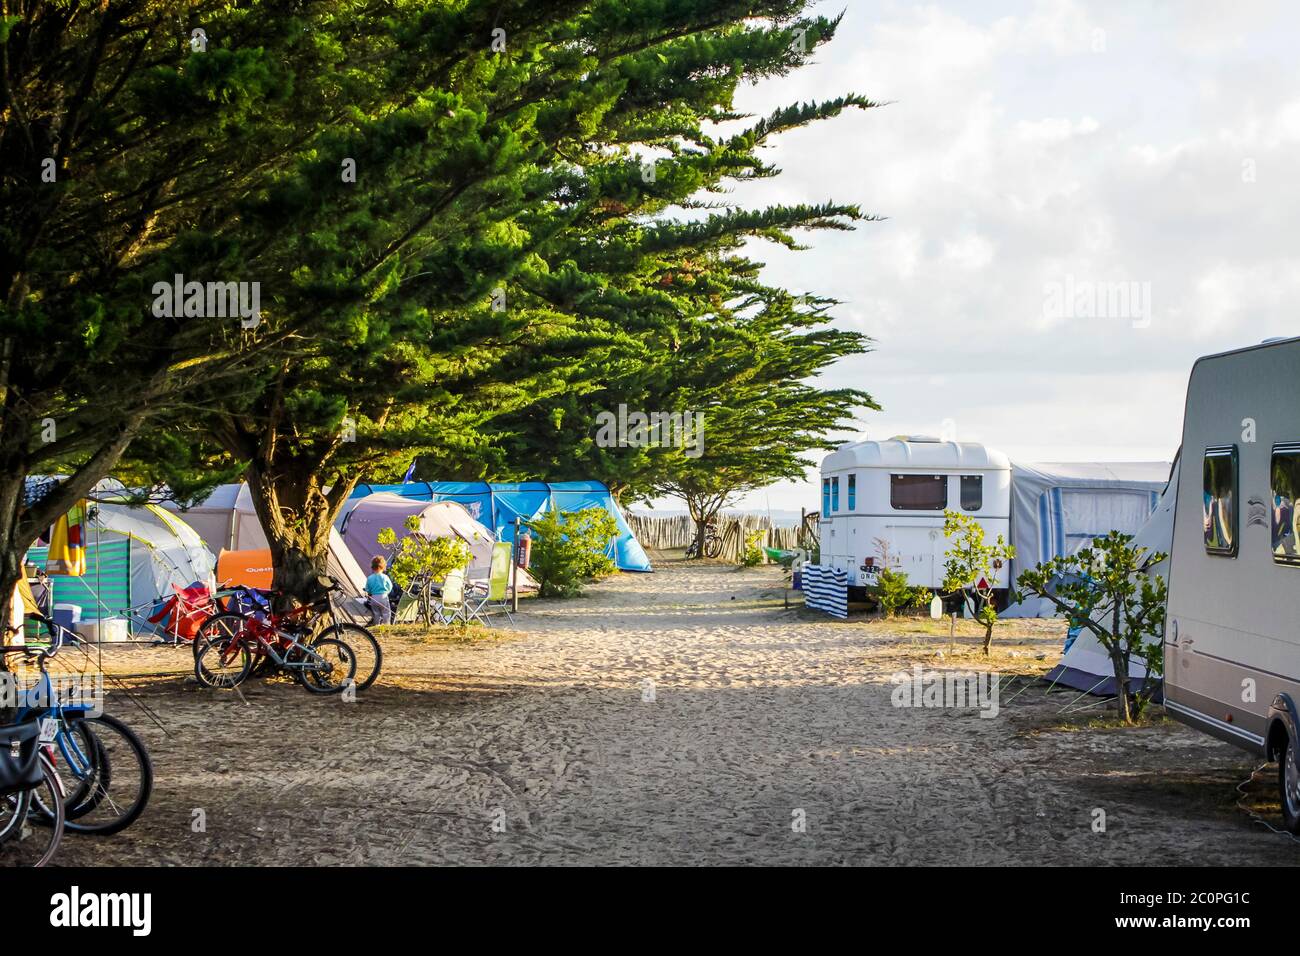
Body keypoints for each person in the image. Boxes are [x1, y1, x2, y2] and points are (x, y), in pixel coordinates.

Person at [365, 556, 394, 627]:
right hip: (383, 596)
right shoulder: (385, 577)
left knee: (376, 613)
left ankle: (376, 625)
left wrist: (370, 592)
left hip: (373, 597)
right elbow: (390, 586)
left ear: (372, 567)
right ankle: (386, 626)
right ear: (383, 566)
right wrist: (387, 592)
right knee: (386, 613)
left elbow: (367, 589)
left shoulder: (370, 578)